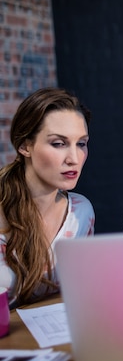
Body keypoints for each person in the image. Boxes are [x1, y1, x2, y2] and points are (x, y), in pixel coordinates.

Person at [0, 87, 95, 307]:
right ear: (25, 145)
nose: (74, 158)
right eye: (58, 143)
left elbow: (81, 291)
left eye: (81, 144)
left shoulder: (81, 212)